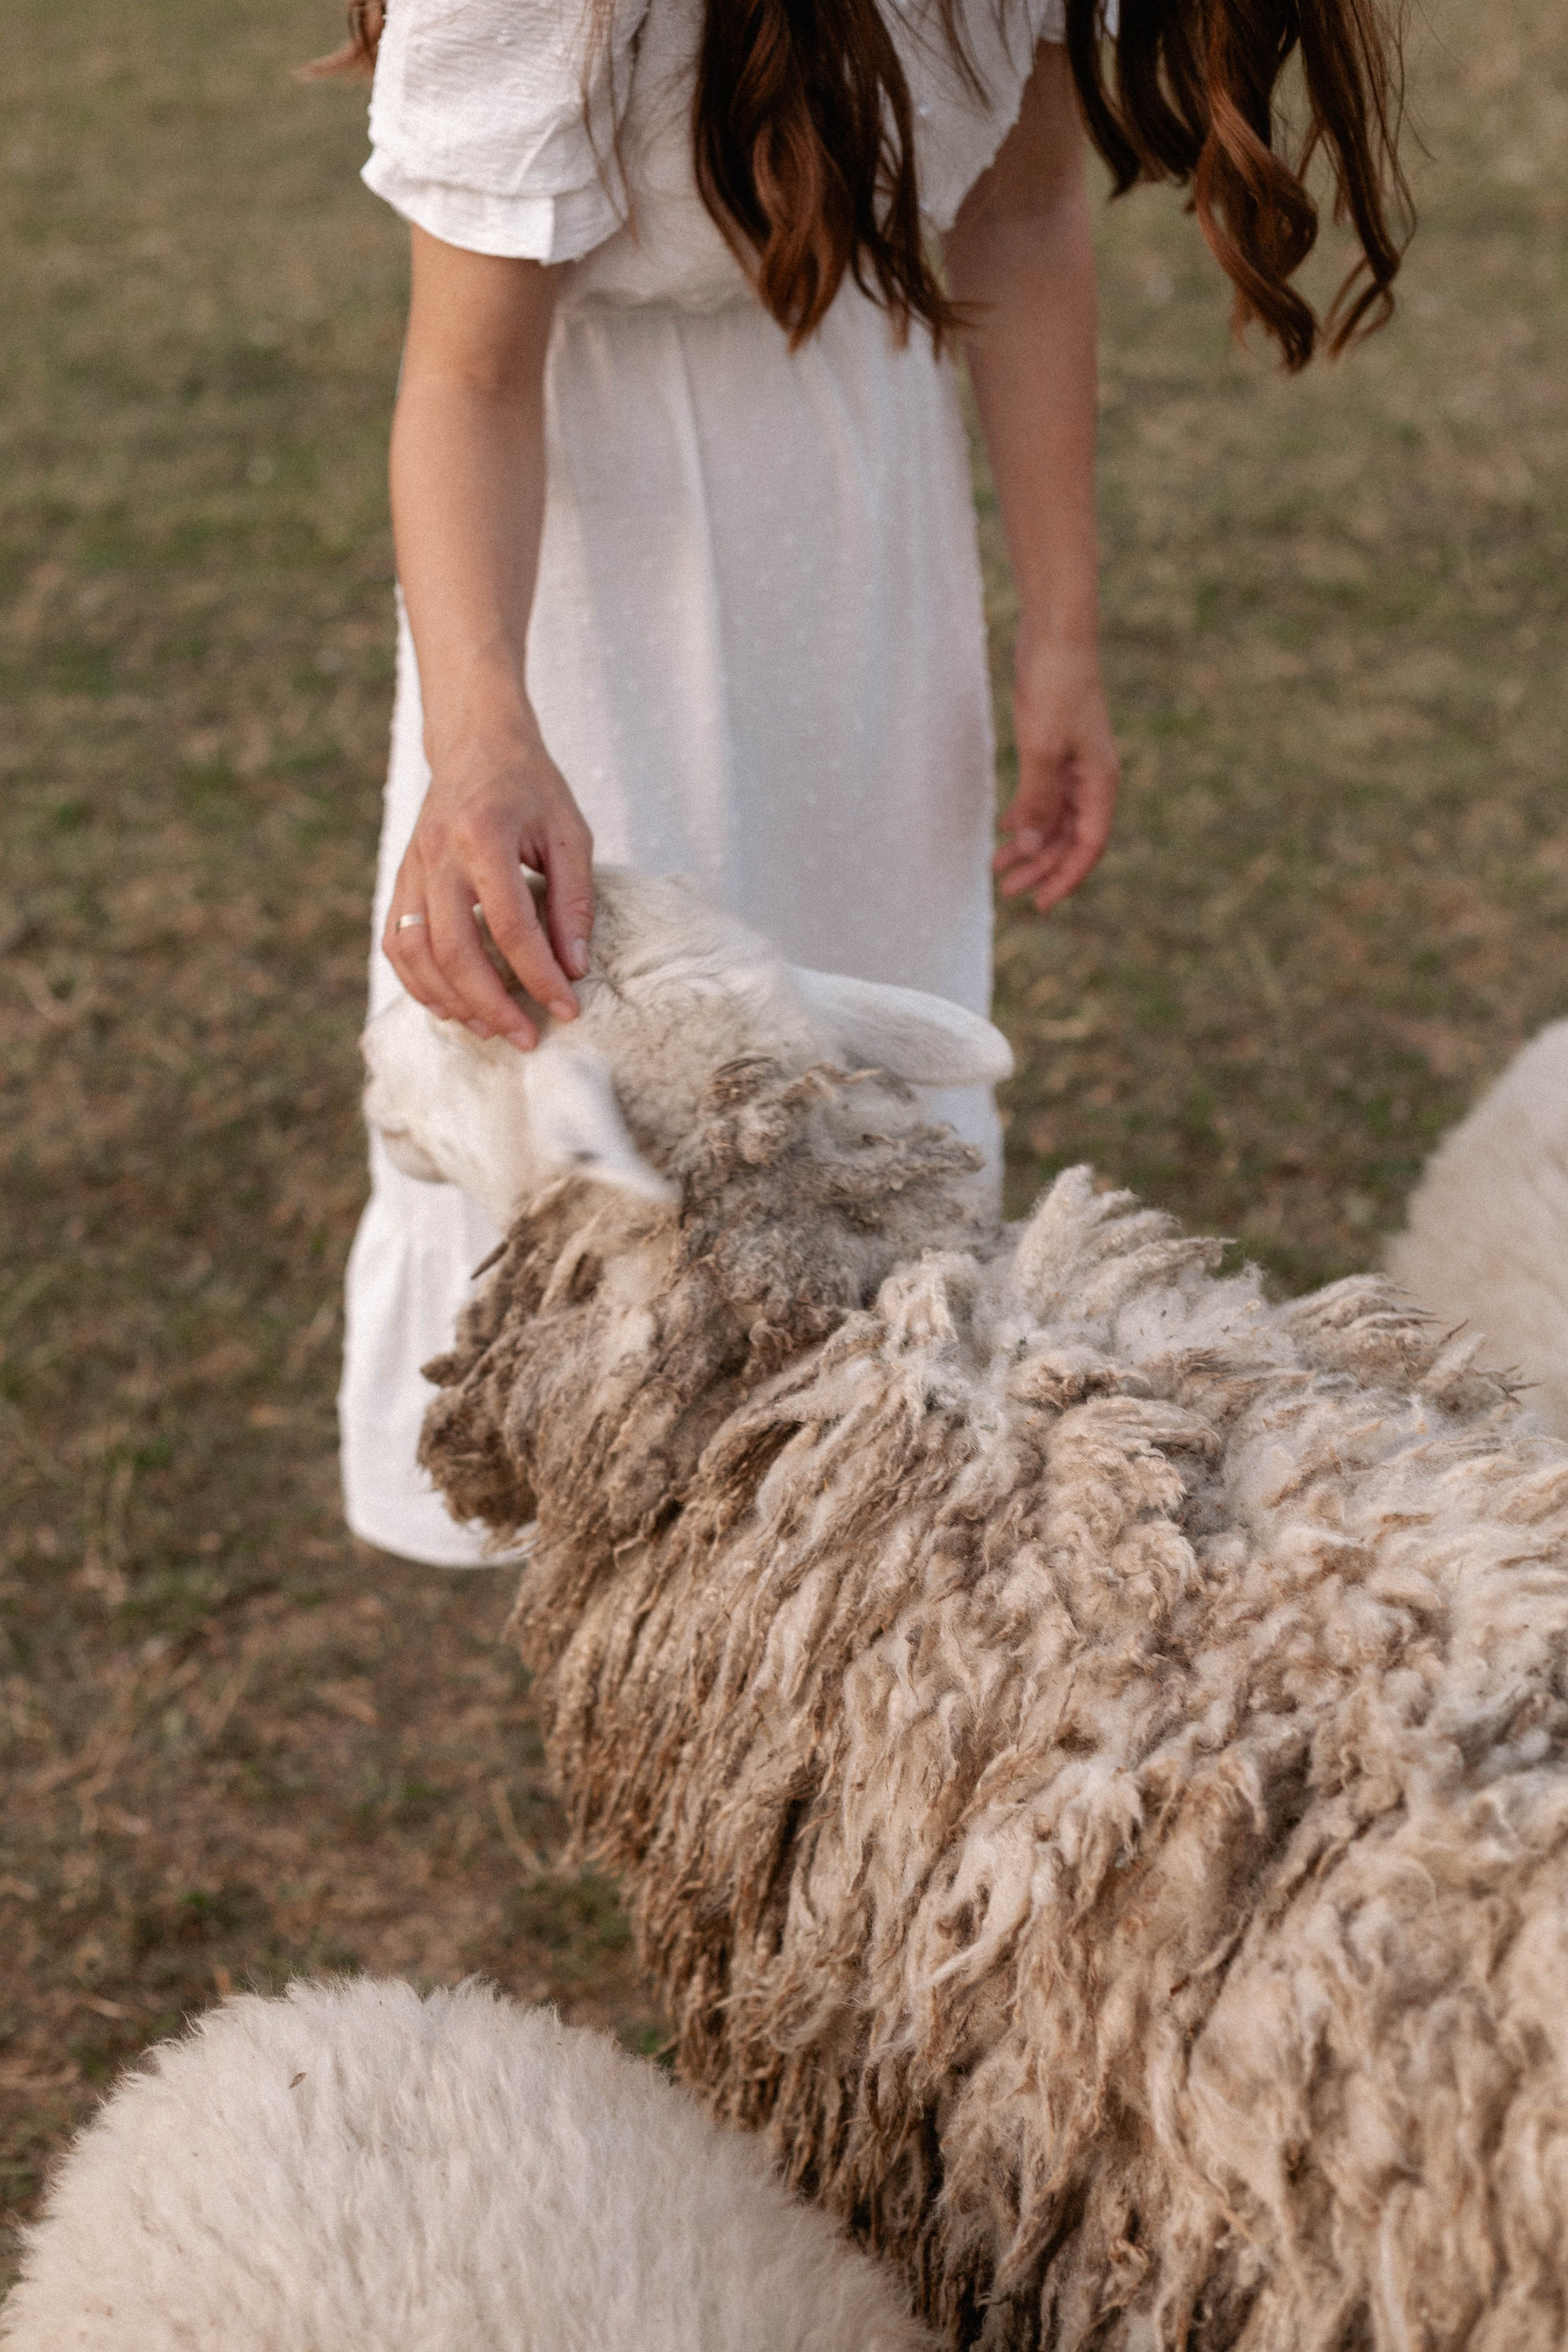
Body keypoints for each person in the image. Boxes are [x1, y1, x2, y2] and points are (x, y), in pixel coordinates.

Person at [326, 0, 1409, 1565]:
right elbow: (470, 380)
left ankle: (859, 1555)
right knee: (611, 1116)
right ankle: (630, 1602)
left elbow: (1023, 216)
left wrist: (1060, 631)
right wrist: (484, 734)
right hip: (588, 554)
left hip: (856, 512)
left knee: (863, 1103)